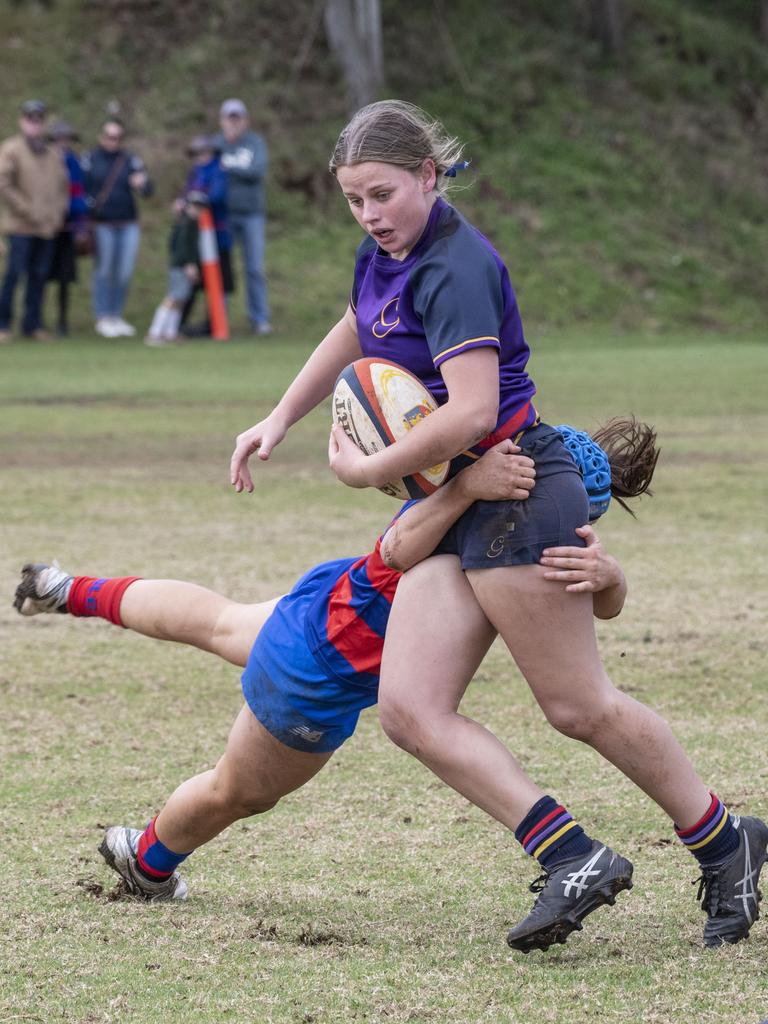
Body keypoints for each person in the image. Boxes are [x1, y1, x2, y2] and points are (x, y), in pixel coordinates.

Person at [230, 100, 767, 950]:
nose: (370, 215)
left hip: (516, 487)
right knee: (410, 709)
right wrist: (280, 416)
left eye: (384, 194)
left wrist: (366, 469)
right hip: (465, 495)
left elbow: (476, 407)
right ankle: (573, 857)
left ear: (428, 177)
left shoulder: (457, 267)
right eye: (354, 200)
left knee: (577, 705)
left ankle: (726, 841)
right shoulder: (384, 255)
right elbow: (356, 329)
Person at [14, 439, 542, 902]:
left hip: (327, 603)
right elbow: (403, 549)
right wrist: (467, 488)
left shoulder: (471, 458)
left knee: (221, 621)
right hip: (322, 669)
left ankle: (66, 589)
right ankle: (145, 859)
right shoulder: (496, 523)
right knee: (238, 791)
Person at [0, 99, 69, 342]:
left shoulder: (51, 154)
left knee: (39, 277)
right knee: (14, 275)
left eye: (38, 120)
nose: (34, 125)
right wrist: (25, 208)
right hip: (21, 226)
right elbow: (4, 184)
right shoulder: (11, 150)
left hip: (46, 227)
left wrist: (58, 213)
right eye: (30, 120)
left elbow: (62, 187)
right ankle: (3, 323)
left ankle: (33, 324)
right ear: (22, 121)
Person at [82, 118, 153, 338]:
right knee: (103, 270)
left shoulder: (130, 160)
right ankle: (103, 316)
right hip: (103, 224)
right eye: (110, 136)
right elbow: (80, 188)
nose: (113, 141)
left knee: (123, 272)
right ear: (101, 137)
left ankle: (116, 315)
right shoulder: (90, 159)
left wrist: (142, 184)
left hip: (127, 223)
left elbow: (149, 190)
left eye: (118, 137)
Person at [216, 98, 270, 334]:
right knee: (221, 268)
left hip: (251, 215)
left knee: (255, 268)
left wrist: (230, 169)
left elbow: (257, 171)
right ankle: (219, 320)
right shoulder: (217, 144)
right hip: (223, 216)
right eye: (230, 118)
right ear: (222, 121)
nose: (234, 123)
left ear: (245, 121)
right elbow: (208, 172)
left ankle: (259, 319)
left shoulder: (255, 143)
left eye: (238, 118)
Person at [177, 134, 234, 336]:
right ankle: (178, 323)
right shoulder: (195, 172)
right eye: (197, 153)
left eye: (204, 152)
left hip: (217, 235)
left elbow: (216, 196)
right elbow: (186, 194)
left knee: (221, 282)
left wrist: (193, 201)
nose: (201, 156)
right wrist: (183, 202)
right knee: (192, 281)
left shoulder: (219, 169)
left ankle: (216, 323)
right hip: (196, 236)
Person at [144, 191, 209, 346]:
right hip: (181, 266)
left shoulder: (190, 223)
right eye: (195, 206)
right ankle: (155, 333)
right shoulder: (186, 223)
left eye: (201, 207)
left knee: (180, 299)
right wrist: (189, 264)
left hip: (182, 266)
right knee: (173, 298)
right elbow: (182, 248)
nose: (198, 210)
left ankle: (170, 333)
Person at [47, 120, 89, 337]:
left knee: (64, 276)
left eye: (67, 138)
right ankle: (35, 321)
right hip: (45, 226)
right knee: (40, 274)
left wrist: (81, 223)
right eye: (59, 138)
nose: (63, 142)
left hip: (68, 226)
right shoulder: (45, 161)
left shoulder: (75, 162)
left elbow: (79, 195)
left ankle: (62, 321)